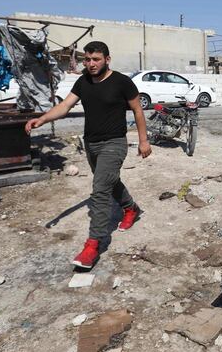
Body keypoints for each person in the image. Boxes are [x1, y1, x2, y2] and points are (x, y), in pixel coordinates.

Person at [25, 41, 152, 268]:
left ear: (107, 59)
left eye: (96, 59)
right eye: (88, 59)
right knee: (109, 182)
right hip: (91, 144)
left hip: (114, 143)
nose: (91, 64)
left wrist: (143, 140)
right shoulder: (83, 81)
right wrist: (42, 119)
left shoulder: (122, 82)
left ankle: (92, 245)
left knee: (100, 189)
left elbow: (137, 110)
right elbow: (64, 106)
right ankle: (131, 208)